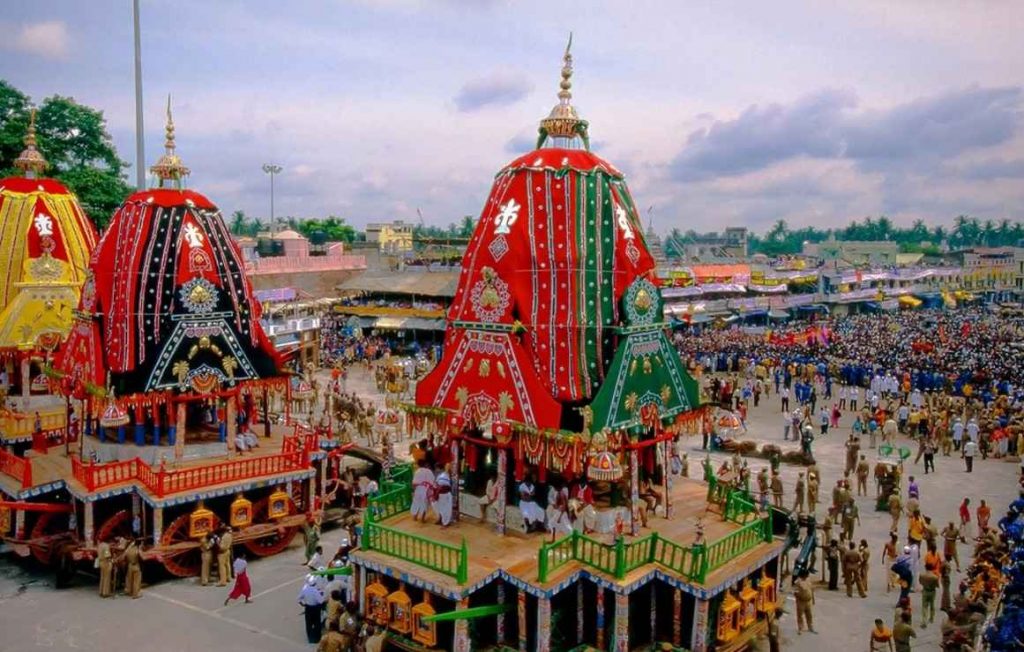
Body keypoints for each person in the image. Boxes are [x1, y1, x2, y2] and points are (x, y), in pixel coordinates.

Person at [298, 575, 326, 644]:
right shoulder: (315, 591)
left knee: (308, 623)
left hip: (308, 608)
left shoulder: (305, 589)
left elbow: (299, 598)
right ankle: (317, 638)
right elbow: (321, 601)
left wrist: (303, 604)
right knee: (317, 623)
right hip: (315, 608)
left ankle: (310, 637)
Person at [794, 570, 816, 634]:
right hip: (801, 601)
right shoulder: (797, 582)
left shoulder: (808, 580)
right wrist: (799, 597)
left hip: (808, 600)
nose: (807, 576)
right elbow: (795, 592)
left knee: (809, 615)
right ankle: (800, 628)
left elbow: (811, 589)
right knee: (800, 615)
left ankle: (810, 627)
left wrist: (813, 599)